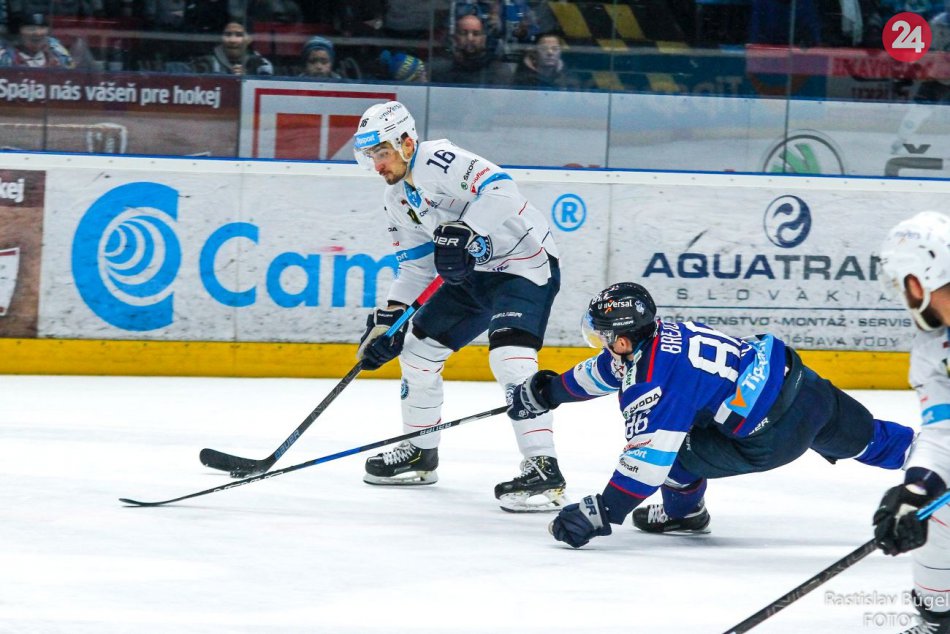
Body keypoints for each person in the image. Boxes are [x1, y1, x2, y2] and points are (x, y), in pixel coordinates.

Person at [504, 281, 916, 547]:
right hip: (807, 390)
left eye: (604, 336)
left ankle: (684, 513)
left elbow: (648, 462)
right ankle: (931, 465)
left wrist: (602, 511)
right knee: (872, 439)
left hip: (771, 438)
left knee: (674, 455)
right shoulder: (665, 333)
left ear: (624, 340)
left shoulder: (651, 383)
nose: (602, 342)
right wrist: (548, 392)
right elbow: (608, 369)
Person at [352, 101, 564, 512]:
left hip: (523, 264)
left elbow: (503, 190)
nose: (377, 165)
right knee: (417, 351)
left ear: (406, 142)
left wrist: (466, 229)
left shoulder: (437, 159)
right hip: (473, 277)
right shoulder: (396, 197)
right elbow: (416, 267)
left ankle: (544, 468)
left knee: (510, 358)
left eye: (382, 153)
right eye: (370, 156)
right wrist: (390, 320)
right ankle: (419, 451)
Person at [872, 211, 950, 633]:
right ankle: (941, 620)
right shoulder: (933, 348)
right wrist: (917, 490)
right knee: (938, 514)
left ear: (917, 281)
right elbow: (942, 433)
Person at [429, 12, 512, 86]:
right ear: (455, 38)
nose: (470, 38)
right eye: (463, 33)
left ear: (483, 39)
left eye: (476, 34)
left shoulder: (498, 71)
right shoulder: (440, 69)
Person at [192, 19, 273, 76]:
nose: (232, 40)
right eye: (228, 34)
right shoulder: (206, 62)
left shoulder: (261, 64)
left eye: (239, 35)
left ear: (249, 39)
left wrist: (247, 79)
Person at [0, 12, 74, 68]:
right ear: (18, 33)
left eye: (42, 28)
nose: (38, 33)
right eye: (31, 29)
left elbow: (71, 73)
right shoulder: (4, 55)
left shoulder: (57, 51)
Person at [511, 31, 579, 90]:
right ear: (534, 53)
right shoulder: (521, 80)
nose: (550, 53)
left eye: (555, 49)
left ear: (560, 52)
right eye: (544, 49)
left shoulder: (570, 81)